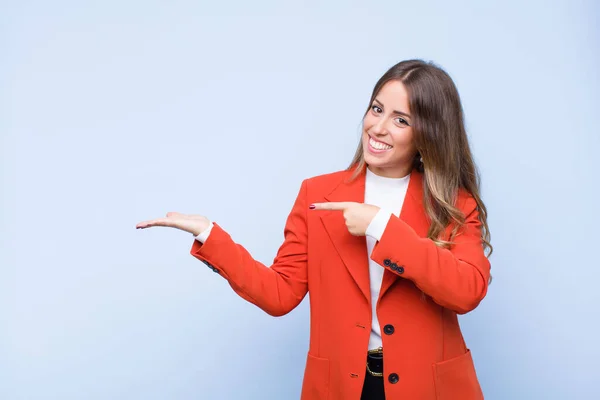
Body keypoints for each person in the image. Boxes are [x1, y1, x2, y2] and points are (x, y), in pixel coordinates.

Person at [136, 59, 493, 400]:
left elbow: (466, 292)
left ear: (428, 134)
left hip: (431, 390)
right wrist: (210, 235)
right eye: (377, 109)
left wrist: (382, 225)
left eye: (401, 120)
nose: (379, 127)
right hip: (342, 387)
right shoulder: (317, 194)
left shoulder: (453, 204)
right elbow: (279, 294)